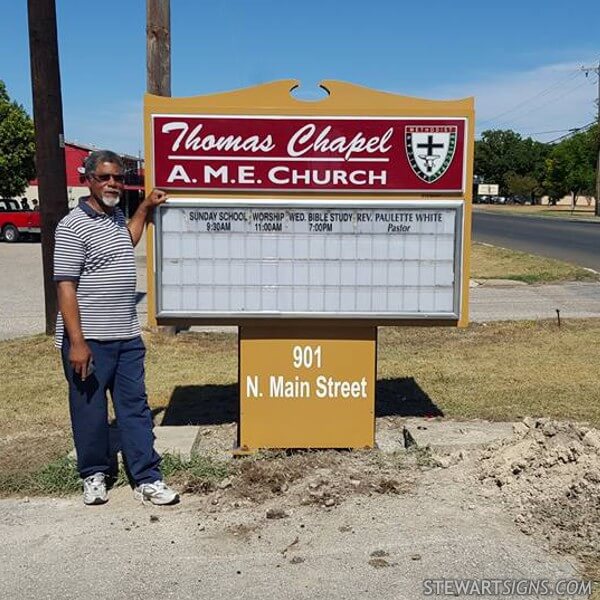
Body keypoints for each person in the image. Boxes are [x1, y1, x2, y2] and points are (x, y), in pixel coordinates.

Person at [53, 149, 179, 506]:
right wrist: (77, 342)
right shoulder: (72, 225)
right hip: (89, 340)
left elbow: (128, 239)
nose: (112, 183)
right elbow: (65, 285)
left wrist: (144, 209)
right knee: (89, 410)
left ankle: (147, 477)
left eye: (118, 178)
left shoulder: (114, 218)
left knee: (135, 408)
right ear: (87, 179)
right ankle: (94, 474)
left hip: (126, 336)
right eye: (104, 177)